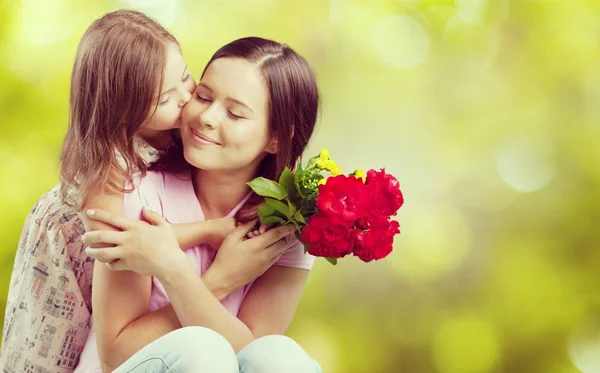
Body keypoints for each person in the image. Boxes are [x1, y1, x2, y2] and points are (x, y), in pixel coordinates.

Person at [82, 37, 323, 372]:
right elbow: (115, 355)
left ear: (277, 138)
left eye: (235, 114)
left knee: (280, 356)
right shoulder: (135, 191)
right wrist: (219, 278)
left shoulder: (287, 225)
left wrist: (176, 269)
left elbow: (251, 360)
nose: (207, 117)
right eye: (203, 96)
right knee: (201, 348)